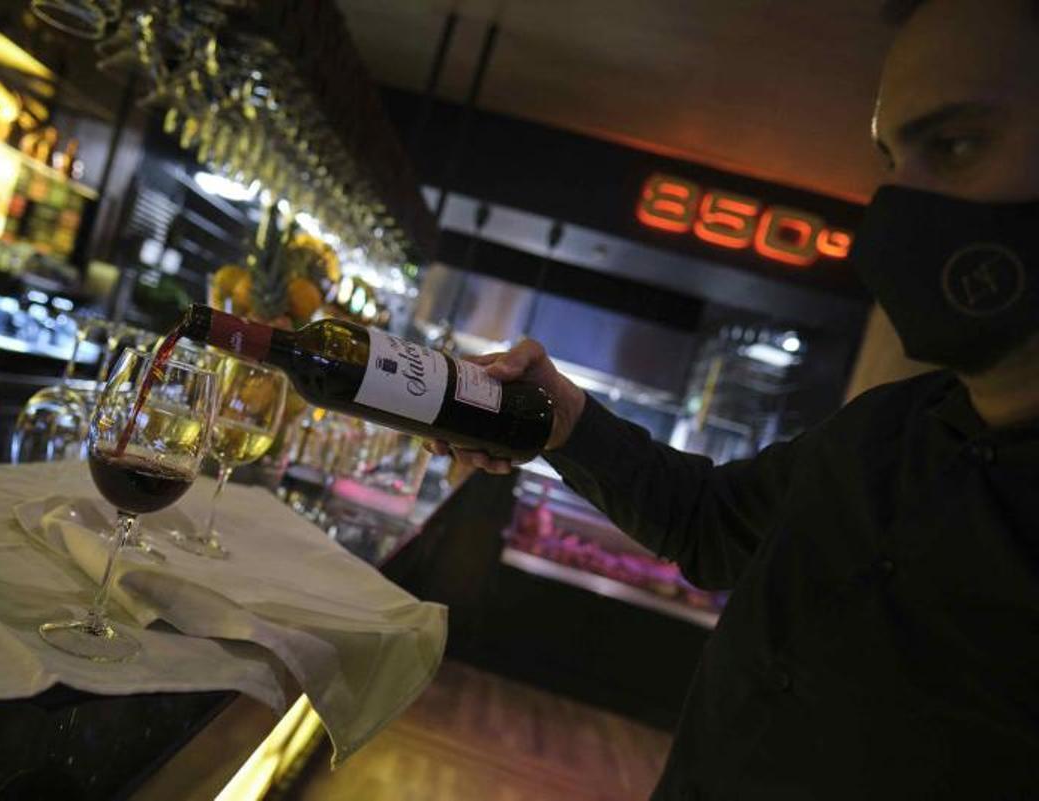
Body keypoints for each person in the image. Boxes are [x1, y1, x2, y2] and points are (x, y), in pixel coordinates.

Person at [431, 0, 1039, 797]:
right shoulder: (884, 430)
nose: (897, 205)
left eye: (957, 144)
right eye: (891, 159)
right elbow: (709, 522)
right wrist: (566, 421)